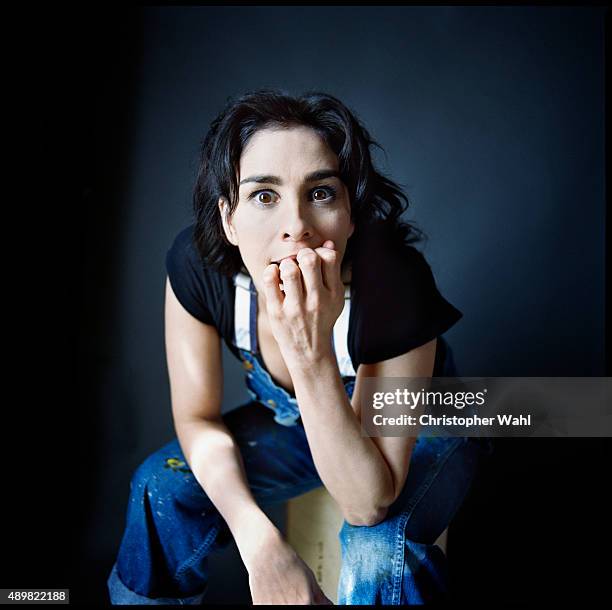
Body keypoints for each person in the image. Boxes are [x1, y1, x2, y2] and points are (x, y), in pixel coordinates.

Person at [106, 89, 492, 605]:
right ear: (229, 218)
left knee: (380, 544)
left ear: (351, 214)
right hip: (296, 428)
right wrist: (259, 543)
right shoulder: (197, 267)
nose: (297, 227)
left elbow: (367, 502)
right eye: (265, 195)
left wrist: (310, 353)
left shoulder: (395, 281)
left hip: (423, 421)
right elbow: (199, 420)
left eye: (322, 193)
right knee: (161, 485)